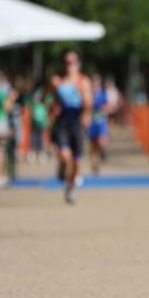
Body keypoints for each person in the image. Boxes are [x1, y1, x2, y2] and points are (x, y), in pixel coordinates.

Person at [50, 50, 93, 204]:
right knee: (64, 155)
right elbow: (54, 103)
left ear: (78, 64)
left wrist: (81, 96)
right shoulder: (59, 82)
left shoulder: (83, 82)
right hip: (63, 122)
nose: (70, 66)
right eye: (67, 63)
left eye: (72, 62)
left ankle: (71, 188)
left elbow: (88, 104)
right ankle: (62, 168)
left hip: (77, 122)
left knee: (76, 162)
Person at [88, 73, 111, 175]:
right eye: (93, 84)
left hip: (101, 121)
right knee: (93, 146)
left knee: (101, 141)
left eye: (97, 84)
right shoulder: (88, 95)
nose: (95, 86)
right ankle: (95, 164)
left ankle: (103, 152)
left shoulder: (103, 94)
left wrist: (105, 109)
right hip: (92, 122)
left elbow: (108, 106)